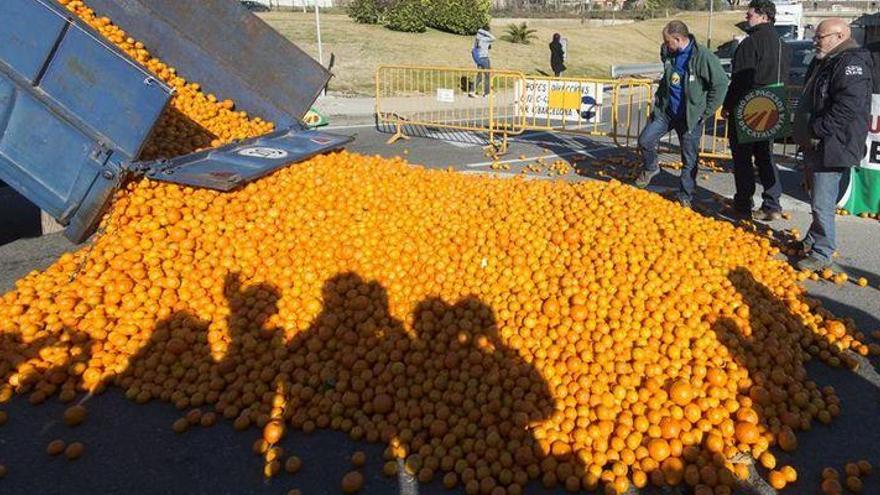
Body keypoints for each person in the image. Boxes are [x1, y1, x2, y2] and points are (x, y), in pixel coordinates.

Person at [791, 18, 873, 271]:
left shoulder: (851, 63)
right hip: (818, 142)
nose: (816, 41)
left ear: (839, 36)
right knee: (815, 195)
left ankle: (822, 251)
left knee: (822, 201)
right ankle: (813, 238)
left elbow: (848, 107)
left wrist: (816, 130)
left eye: (821, 37)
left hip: (832, 143)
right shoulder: (827, 60)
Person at [634, 21, 729, 208]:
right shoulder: (669, 52)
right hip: (667, 112)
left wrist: (706, 111)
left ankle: (685, 195)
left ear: (678, 39)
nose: (665, 45)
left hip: (690, 117)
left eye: (668, 41)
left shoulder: (703, 57)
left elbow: (720, 84)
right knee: (645, 140)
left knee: (689, 159)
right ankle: (652, 168)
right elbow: (667, 66)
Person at [722, 0, 790, 221]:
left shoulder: (750, 43)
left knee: (742, 158)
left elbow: (740, 79)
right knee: (766, 156)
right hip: (774, 103)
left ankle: (743, 204)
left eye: (749, 13)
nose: (746, 16)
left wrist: (728, 105)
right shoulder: (782, 44)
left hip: (751, 103)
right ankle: (772, 204)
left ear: (763, 16)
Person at [471, 26, 495, 97]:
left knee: (479, 75)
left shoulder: (477, 38)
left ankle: (472, 91)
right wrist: (485, 32)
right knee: (488, 76)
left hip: (478, 59)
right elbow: (494, 38)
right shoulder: (484, 39)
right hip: (484, 59)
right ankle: (487, 93)